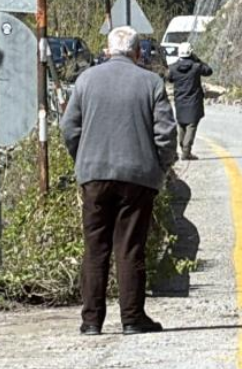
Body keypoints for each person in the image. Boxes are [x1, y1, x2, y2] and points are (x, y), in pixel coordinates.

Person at [61, 26, 177, 336]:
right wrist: (161, 168)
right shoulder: (151, 83)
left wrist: (83, 160)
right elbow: (166, 135)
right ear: (138, 53)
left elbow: (68, 128)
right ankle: (132, 318)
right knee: (130, 247)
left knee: (95, 247)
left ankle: (91, 321)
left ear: (106, 50)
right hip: (137, 177)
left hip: (94, 177)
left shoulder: (85, 81)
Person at [168, 42, 213, 160]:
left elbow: (169, 79)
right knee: (191, 125)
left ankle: (183, 146)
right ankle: (186, 151)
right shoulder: (196, 67)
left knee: (181, 124)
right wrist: (197, 59)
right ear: (190, 52)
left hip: (180, 101)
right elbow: (208, 71)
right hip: (194, 101)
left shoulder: (173, 68)